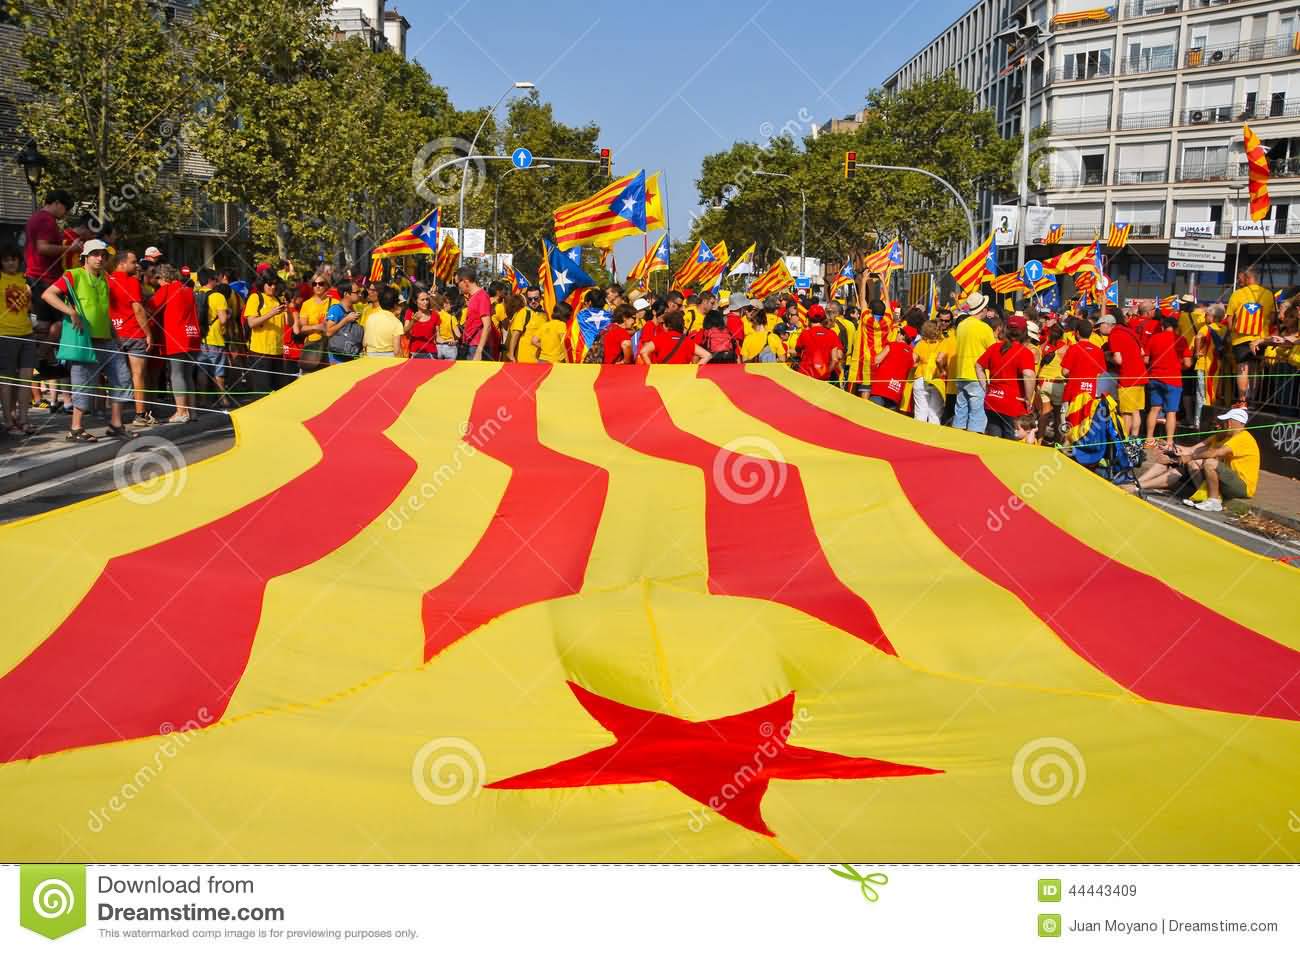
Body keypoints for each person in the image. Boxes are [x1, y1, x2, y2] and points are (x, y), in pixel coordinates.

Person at [40, 239, 130, 441]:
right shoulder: (74, 275)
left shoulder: (105, 279)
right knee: (84, 384)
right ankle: (76, 429)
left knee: (123, 379)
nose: (100, 258)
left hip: (107, 339)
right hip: (84, 340)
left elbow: (102, 311)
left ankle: (116, 424)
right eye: (95, 254)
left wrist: (115, 335)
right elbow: (48, 294)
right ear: (85, 257)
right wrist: (70, 311)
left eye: (103, 255)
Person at [1137, 408, 1259, 511]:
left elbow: (1214, 453)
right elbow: (1192, 449)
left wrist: (1189, 457)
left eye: (1224, 422)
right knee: (1173, 460)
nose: (1221, 425)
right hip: (1221, 479)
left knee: (1209, 463)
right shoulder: (1222, 436)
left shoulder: (1242, 438)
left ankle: (1213, 500)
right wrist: (1171, 448)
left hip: (1242, 486)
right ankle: (1138, 484)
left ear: (1232, 423)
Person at [106, 250, 155, 426]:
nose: (137, 266)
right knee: (138, 375)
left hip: (113, 333)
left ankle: (113, 414)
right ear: (121, 264)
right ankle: (140, 413)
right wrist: (148, 333)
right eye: (133, 262)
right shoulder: (131, 282)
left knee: (115, 376)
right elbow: (138, 310)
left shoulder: (106, 280)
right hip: (134, 333)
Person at [148, 264, 201, 422]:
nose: (158, 285)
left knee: (176, 374)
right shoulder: (188, 290)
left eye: (158, 281)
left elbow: (151, 307)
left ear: (162, 278)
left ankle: (181, 411)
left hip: (176, 336)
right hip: (192, 334)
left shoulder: (167, 289)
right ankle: (192, 411)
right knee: (187, 375)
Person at [976, 314, 1036, 440]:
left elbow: (978, 366)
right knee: (1010, 444)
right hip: (1012, 404)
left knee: (994, 440)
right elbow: (1028, 375)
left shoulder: (995, 348)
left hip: (992, 400)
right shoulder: (1025, 352)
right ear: (1024, 333)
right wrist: (1028, 398)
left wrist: (985, 387)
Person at [1224, 265, 1275, 403]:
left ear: (1247, 278)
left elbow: (1229, 318)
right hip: (1260, 338)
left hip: (1240, 338)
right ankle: (1252, 399)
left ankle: (1242, 400)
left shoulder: (1237, 294)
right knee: (1255, 369)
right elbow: (1273, 318)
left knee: (1242, 368)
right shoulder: (1269, 294)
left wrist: (1231, 333)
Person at [0, 245, 35, 435]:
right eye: (6, 259)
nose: (11, 262)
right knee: (6, 381)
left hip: (27, 333)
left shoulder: (26, 280)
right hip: (4, 335)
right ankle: (8, 420)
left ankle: (23, 418)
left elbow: (28, 308)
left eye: (13, 259)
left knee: (26, 380)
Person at [1143, 313, 1191, 450]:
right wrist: (1177, 365)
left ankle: (1149, 439)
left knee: (1154, 409)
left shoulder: (1154, 338)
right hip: (1173, 380)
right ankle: (1169, 442)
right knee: (1171, 412)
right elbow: (1187, 363)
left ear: (1163, 327)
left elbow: (1145, 360)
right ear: (1176, 328)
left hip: (1155, 377)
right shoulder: (1181, 340)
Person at [951, 294, 996, 432]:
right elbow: (993, 350)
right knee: (977, 415)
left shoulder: (961, 325)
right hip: (977, 375)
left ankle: (957, 444)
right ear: (982, 310)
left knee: (960, 412)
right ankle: (972, 444)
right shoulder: (984, 328)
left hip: (961, 373)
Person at [1102, 308, 1146, 436]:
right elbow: (1142, 352)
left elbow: (1119, 360)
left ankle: (1125, 440)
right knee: (1136, 411)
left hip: (1128, 377)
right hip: (1140, 375)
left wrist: (1107, 357)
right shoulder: (1129, 331)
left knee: (1126, 412)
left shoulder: (1115, 335)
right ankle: (1134, 439)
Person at [243, 272, 288, 397]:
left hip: (277, 352)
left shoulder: (278, 299)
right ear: (263, 284)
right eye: (269, 284)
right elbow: (251, 323)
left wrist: (288, 310)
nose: (273, 287)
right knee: (262, 392)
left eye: (275, 284)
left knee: (279, 391)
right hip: (260, 352)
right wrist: (271, 313)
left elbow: (289, 322)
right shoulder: (256, 297)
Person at [197, 270, 232, 408]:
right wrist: (228, 313)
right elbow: (223, 319)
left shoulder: (196, 294)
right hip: (215, 338)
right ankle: (222, 399)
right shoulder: (218, 296)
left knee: (202, 370)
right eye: (216, 279)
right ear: (211, 280)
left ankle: (202, 399)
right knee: (219, 371)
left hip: (199, 338)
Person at [637, 311, 712, 364]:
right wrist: (694, 370)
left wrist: (651, 368)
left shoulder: (660, 338)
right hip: (681, 378)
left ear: (666, 325)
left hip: (662, 376)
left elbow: (643, 352)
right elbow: (707, 355)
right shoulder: (687, 340)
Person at [457, 266, 497, 360]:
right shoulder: (473, 297)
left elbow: (487, 325)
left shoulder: (482, 296)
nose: (458, 286)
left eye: (458, 282)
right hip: (471, 345)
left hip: (477, 347)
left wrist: (479, 351)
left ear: (465, 281)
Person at [792, 308, 843, 381]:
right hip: (823, 377)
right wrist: (826, 373)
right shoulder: (832, 334)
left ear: (808, 319)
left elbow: (797, 349)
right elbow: (835, 359)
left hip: (805, 376)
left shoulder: (805, 334)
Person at [910, 319, 944, 424]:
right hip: (936, 379)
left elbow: (913, 361)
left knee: (920, 413)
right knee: (935, 413)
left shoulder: (920, 344)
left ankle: (917, 437)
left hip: (920, 378)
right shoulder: (943, 343)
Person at [869, 329, 913, 410]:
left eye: (899, 332)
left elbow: (877, 360)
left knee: (872, 415)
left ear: (902, 336)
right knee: (886, 421)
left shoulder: (892, 345)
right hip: (895, 392)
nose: (897, 334)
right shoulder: (912, 354)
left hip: (881, 388)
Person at [324, 281, 364, 363]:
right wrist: (346, 320)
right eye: (357, 292)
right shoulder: (335, 309)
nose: (360, 294)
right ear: (346, 294)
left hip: (350, 356)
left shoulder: (353, 309)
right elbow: (328, 332)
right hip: (337, 358)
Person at [362, 285, 405, 357]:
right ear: (395, 305)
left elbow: (364, 343)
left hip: (370, 357)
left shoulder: (370, 318)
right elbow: (397, 350)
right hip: (389, 358)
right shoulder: (396, 323)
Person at [507, 287, 546, 363]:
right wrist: (511, 355)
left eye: (536, 298)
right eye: (530, 299)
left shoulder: (545, 314)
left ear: (541, 298)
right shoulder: (523, 312)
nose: (533, 301)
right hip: (524, 360)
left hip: (541, 360)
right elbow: (515, 335)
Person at [404, 290, 440, 359]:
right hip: (414, 352)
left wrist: (449, 341)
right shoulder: (410, 313)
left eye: (427, 299)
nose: (425, 302)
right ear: (416, 301)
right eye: (422, 300)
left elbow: (438, 337)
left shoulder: (435, 315)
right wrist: (413, 321)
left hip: (431, 353)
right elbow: (405, 331)